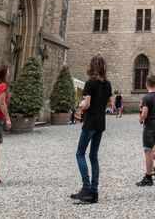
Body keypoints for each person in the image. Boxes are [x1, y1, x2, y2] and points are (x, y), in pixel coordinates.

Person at [69, 54, 112, 203]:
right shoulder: (107, 84)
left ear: (92, 66)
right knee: (93, 156)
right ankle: (94, 192)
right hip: (101, 123)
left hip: (90, 123)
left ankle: (86, 188)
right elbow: (110, 103)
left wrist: (80, 108)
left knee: (80, 153)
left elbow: (86, 103)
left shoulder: (90, 83)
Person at [136, 74, 155, 187]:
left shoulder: (146, 98)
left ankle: (148, 177)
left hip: (149, 126)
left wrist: (141, 119)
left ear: (146, 84)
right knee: (150, 149)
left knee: (147, 151)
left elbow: (145, 113)